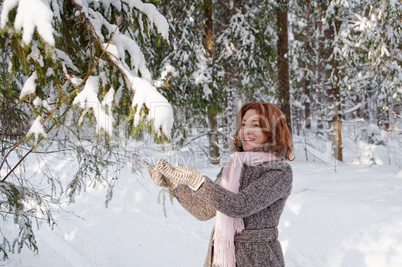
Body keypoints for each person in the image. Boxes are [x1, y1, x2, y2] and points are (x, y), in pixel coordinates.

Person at [148, 102, 293, 267]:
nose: (246, 131)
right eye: (243, 124)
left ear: (272, 132)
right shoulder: (233, 166)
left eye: (256, 125)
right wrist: (174, 184)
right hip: (220, 259)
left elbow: (240, 205)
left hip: (257, 259)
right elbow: (204, 210)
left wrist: (198, 182)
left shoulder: (279, 172)